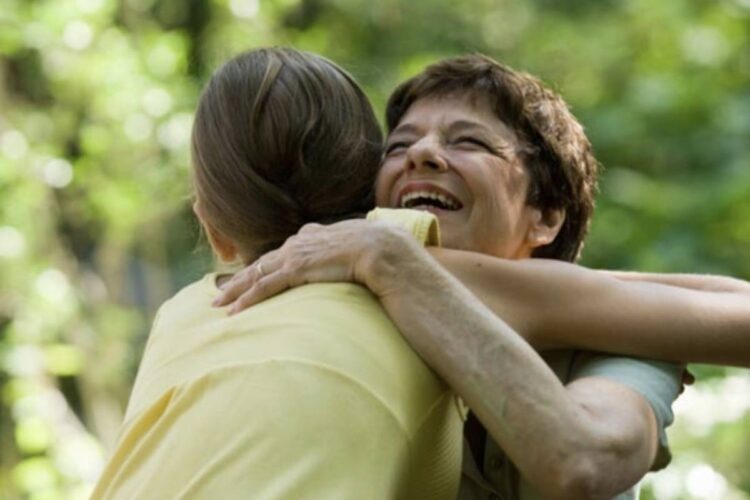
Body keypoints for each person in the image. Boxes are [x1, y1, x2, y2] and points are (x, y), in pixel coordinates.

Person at [214, 54, 749, 499]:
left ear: (544, 217)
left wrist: (397, 262)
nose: (421, 154)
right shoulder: (352, 292)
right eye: (398, 147)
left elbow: (583, 462)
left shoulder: (620, 338)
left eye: (467, 142)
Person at [91, 48, 466, 500]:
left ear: (214, 229)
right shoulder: (405, 263)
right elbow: (573, 303)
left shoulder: (183, 311)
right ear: (376, 189)